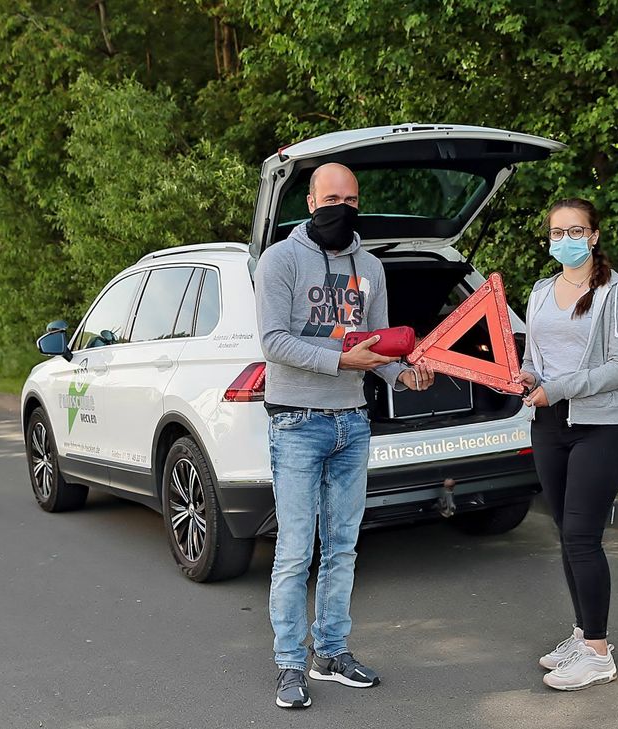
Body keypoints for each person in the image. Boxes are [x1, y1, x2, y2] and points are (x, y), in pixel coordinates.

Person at [254, 162, 434, 709]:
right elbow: (274, 342)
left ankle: (330, 653)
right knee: (293, 550)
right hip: (297, 421)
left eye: (351, 199)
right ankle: (290, 665)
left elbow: (376, 348)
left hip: (352, 422)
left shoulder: (370, 267)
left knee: (343, 547)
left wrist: (402, 374)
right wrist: (340, 360)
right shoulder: (281, 260)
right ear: (310, 202)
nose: (342, 206)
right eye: (331, 197)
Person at [514, 197, 618, 691]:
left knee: (583, 538)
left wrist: (559, 387)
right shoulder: (542, 291)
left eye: (575, 231)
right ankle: (582, 632)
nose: (564, 239)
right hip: (549, 424)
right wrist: (523, 378)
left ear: (593, 236)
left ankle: (598, 652)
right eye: (556, 232)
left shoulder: (617, 292)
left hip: (600, 428)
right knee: (567, 534)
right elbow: (535, 358)